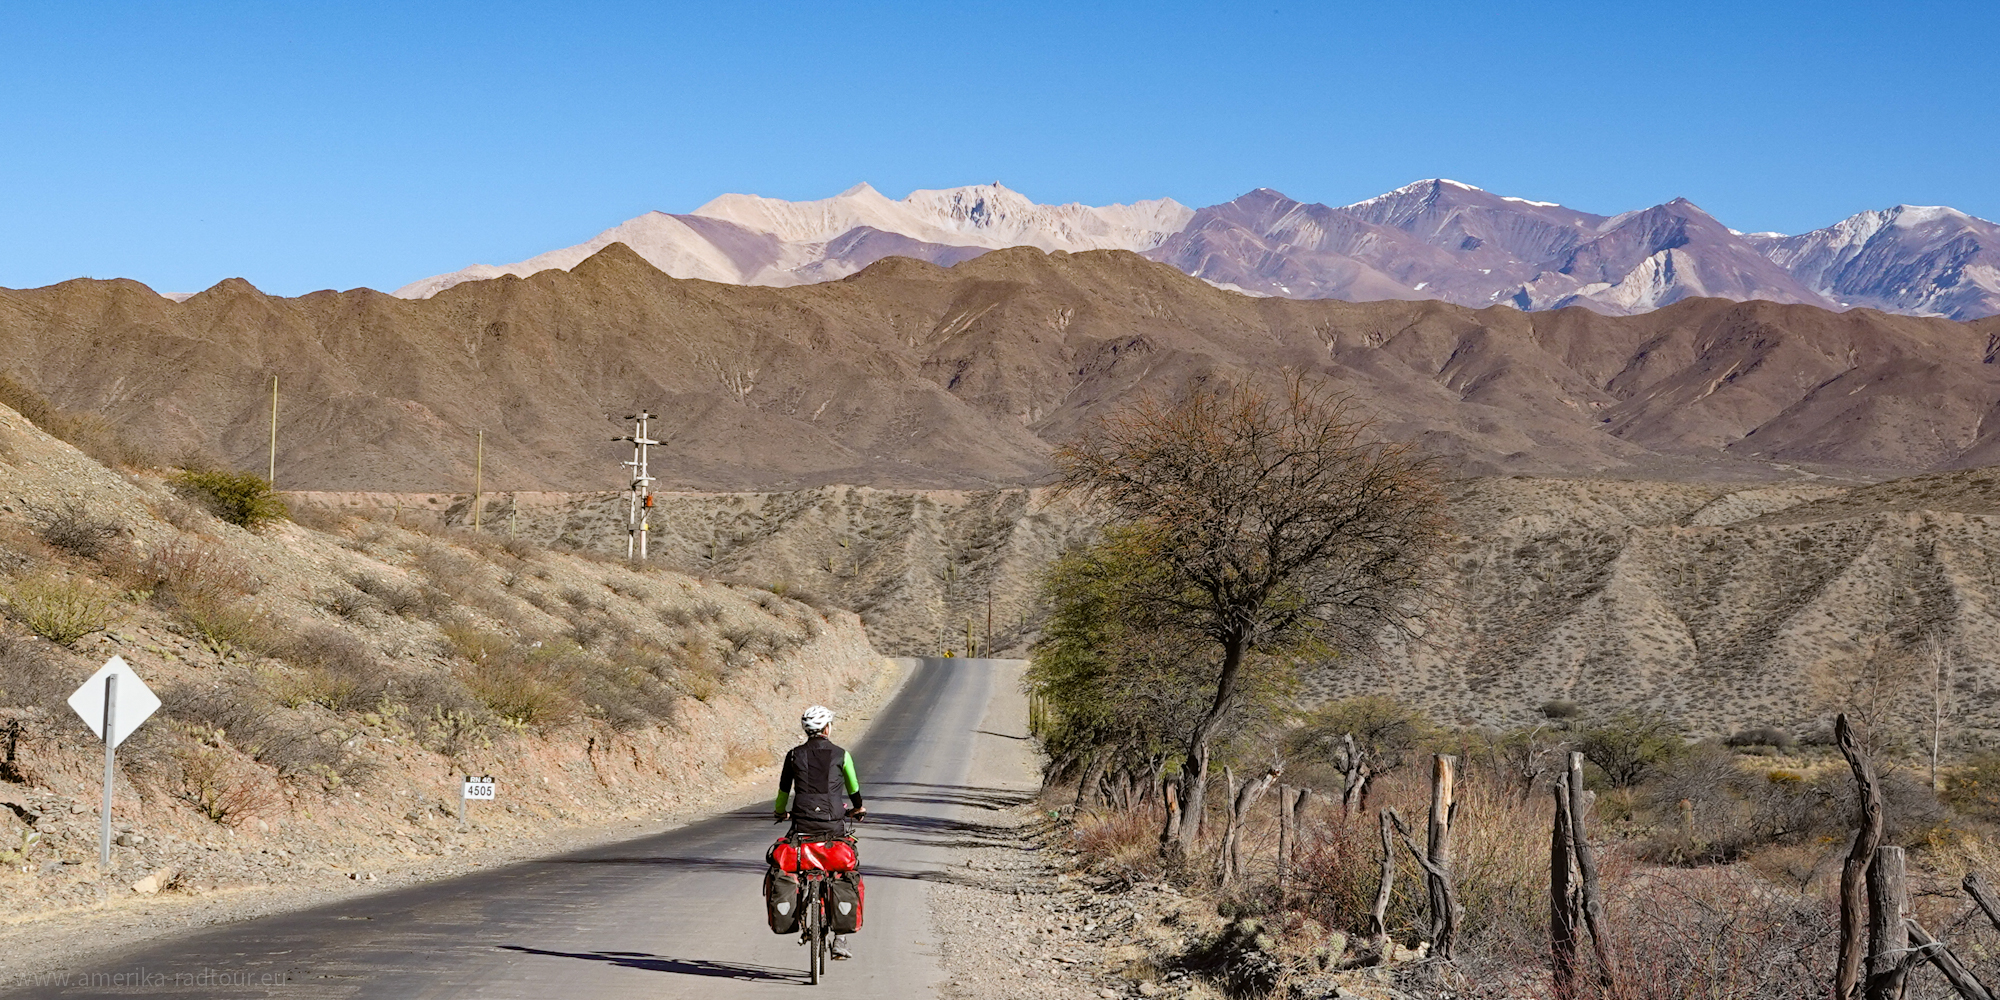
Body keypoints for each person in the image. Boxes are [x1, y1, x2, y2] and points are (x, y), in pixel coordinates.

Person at [774, 704, 865, 959]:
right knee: (841, 869)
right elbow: (854, 787)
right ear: (827, 728)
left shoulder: (793, 755)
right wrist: (858, 808)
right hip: (833, 823)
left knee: (800, 864)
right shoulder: (841, 755)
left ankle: (803, 904)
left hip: (802, 824)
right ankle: (841, 938)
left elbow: (783, 791)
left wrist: (780, 812)